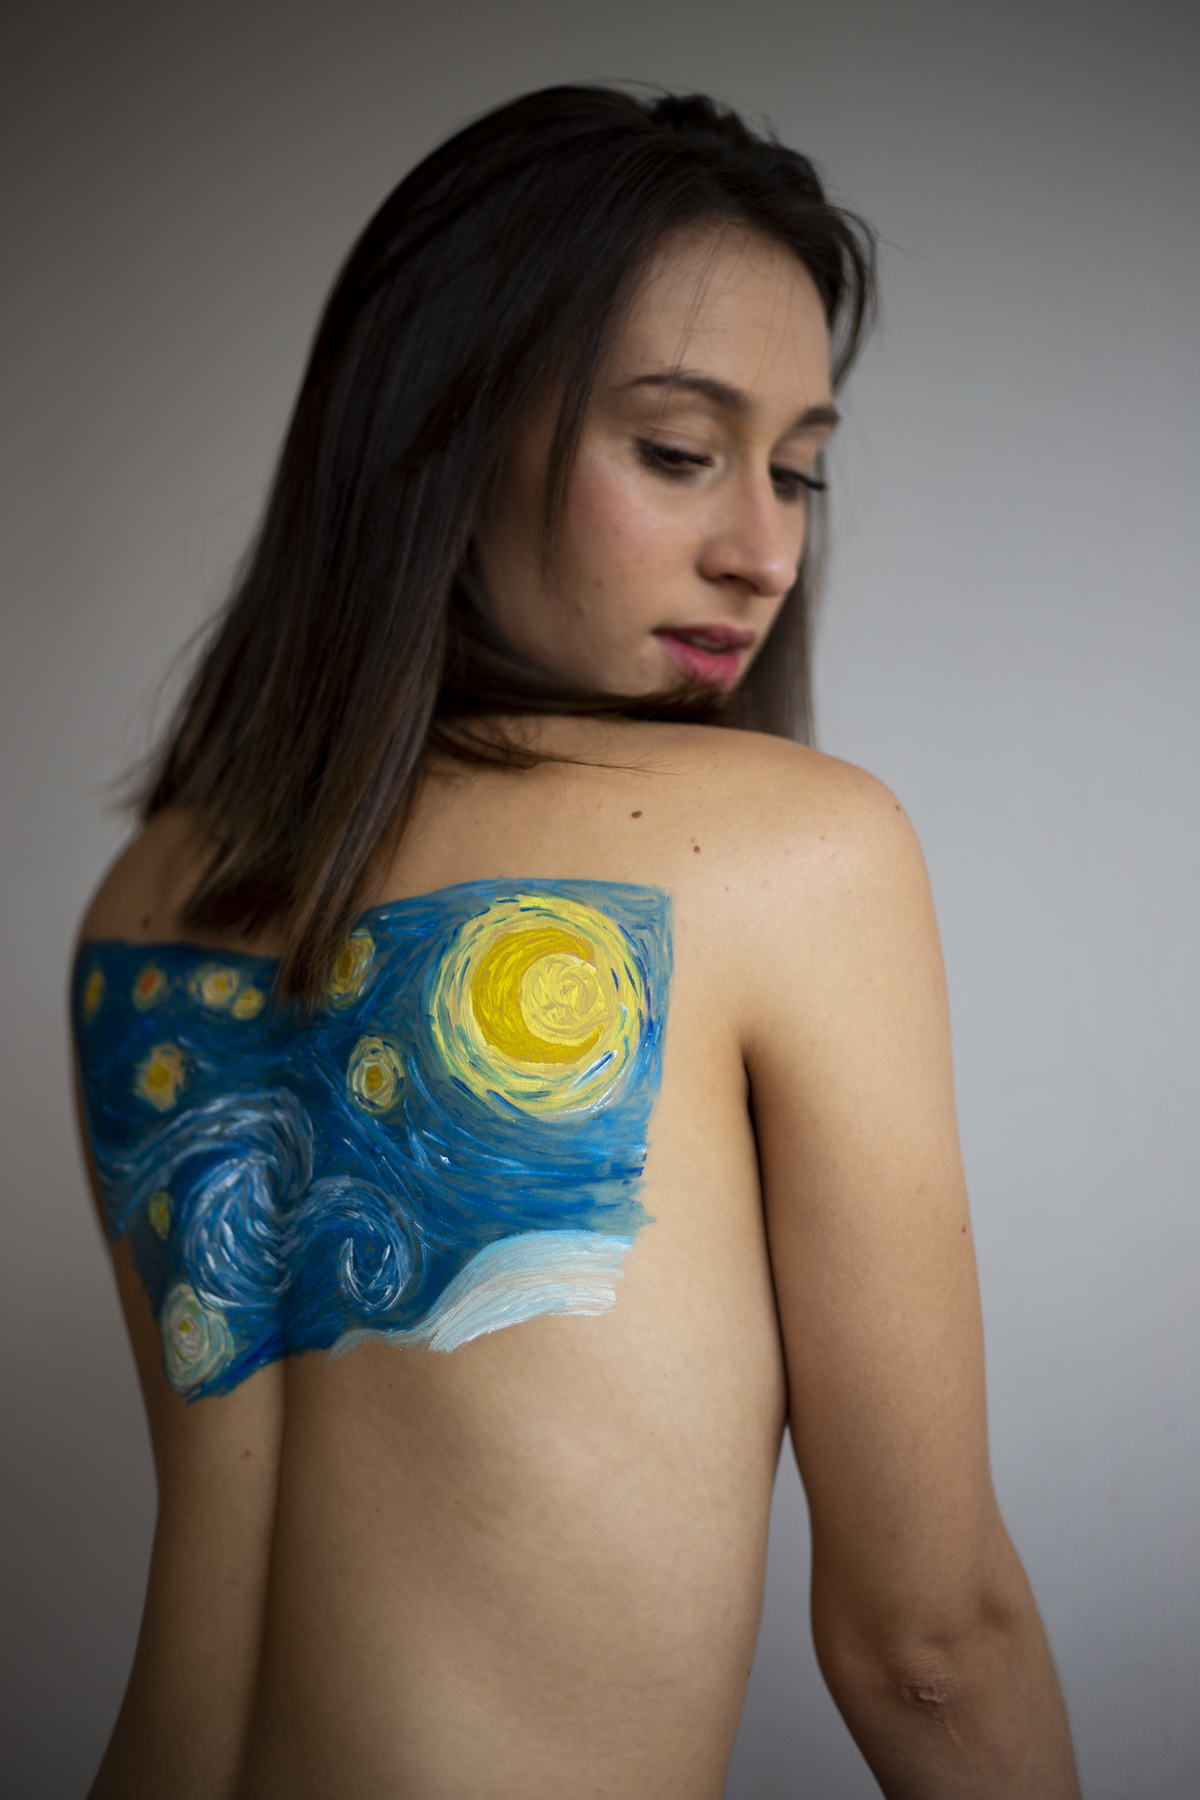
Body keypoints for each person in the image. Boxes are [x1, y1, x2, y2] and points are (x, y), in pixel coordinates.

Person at [72, 85, 1081, 1799]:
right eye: (679, 453)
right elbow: (930, 1648)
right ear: (442, 432)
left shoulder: (149, 899)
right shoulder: (788, 850)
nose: (766, 550)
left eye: (800, 470)